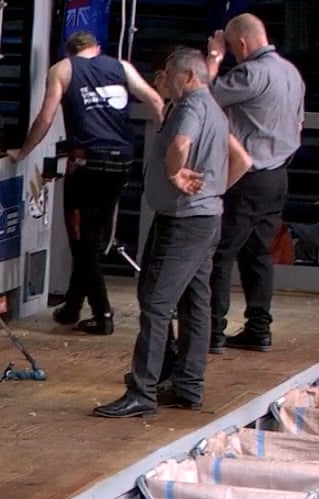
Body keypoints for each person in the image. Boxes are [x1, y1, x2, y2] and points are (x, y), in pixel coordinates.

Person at [94, 48, 251, 418]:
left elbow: (181, 145)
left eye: (168, 74)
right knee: (195, 303)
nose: (161, 80)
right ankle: (188, 385)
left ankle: (142, 391)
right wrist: (215, 192)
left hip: (183, 221)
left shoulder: (192, 107)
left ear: (189, 77)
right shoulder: (213, 106)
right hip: (204, 218)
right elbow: (242, 160)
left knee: (156, 303)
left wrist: (174, 173)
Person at [8, 31, 164, 335]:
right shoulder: (122, 67)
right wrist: (165, 144)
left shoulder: (63, 70)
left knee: (83, 244)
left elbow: (47, 115)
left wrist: (24, 150)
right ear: (98, 49)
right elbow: (156, 100)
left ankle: (102, 313)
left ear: (70, 51)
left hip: (87, 163)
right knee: (91, 239)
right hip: (122, 162)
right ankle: (71, 307)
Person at [205, 13, 305, 352]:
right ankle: (259, 329)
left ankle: (212, 331)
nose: (232, 53)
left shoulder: (251, 73)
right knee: (258, 254)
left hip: (249, 177)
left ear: (243, 44)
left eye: (232, 48)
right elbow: (299, 124)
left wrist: (215, 57)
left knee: (220, 254)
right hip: (279, 175)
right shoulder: (291, 72)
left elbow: (204, 96)